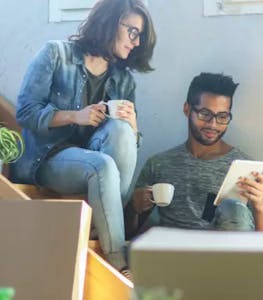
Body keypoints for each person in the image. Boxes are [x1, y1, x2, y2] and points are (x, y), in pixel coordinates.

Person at [12, 0, 156, 279]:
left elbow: (125, 147)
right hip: (47, 157)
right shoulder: (56, 54)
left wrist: (133, 128)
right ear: (112, 22)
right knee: (102, 166)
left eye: (139, 36)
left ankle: (101, 224)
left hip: (94, 160)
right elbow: (26, 112)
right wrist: (74, 116)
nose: (136, 43)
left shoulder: (123, 80)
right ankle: (117, 260)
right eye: (133, 32)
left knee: (123, 131)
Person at [131, 73, 263, 232]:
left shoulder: (242, 167)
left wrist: (259, 205)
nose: (213, 124)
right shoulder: (158, 164)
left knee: (234, 208)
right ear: (187, 109)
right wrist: (134, 208)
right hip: (175, 251)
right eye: (205, 114)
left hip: (225, 252)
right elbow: (128, 232)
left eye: (222, 116)